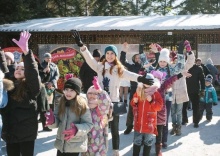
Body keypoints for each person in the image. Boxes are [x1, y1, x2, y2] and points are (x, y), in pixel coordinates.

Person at [72, 30, 154, 156]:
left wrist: (141, 78)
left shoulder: (119, 69)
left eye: (112, 53)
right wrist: (81, 45)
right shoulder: (99, 67)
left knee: (114, 129)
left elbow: (130, 75)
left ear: (115, 55)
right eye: (108, 53)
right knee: (98, 128)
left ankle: (116, 151)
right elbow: (89, 59)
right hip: (98, 103)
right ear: (105, 54)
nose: (110, 55)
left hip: (112, 103)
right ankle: (97, 150)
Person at [0, 31, 41, 156]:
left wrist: (27, 53)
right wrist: (1, 52)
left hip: (26, 133)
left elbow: (32, 73)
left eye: (23, 69)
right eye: (17, 67)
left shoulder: (31, 87)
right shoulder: (9, 83)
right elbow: (5, 68)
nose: (18, 69)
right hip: (11, 130)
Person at [46, 77, 93, 156]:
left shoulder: (82, 105)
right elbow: (57, 120)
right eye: (66, 89)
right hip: (61, 144)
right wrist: (53, 121)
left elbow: (89, 124)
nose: (68, 92)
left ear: (77, 92)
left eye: (72, 90)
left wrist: (77, 130)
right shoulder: (61, 102)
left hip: (74, 145)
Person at [131, 73, 163, 156]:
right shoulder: (139, 90)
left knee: (148, 141)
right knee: (137, 141)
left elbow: (159, 107)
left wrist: (152, 101)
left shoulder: (155, 93)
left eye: (149, 82)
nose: (147, 84)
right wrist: (134, 102)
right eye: (146, 82)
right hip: (139, 122)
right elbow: (133, 104)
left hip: (149, 123)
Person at [119, 43, 148, 135]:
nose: (138, 59)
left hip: (144, 91)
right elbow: (122, 62)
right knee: (131, 109)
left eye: (139, 58)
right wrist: (124, 51)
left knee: (143, 109)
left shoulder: (145, 67)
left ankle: (141, 126)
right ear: (134, 59)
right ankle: (129, 126)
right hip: (134, 90)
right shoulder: (132, 67)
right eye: (136, 58)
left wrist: (141, 50)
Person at [170, 40, 195, 136]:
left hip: (180, 92)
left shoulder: (183, 67)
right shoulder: (171, 68)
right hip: (171, 93)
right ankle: (174, 126)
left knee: (179, 112)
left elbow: (191, 61)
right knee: (172, 112)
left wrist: (189, 52)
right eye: (175, 59)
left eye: (177, 59)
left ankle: (179, 127)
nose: (176, 61)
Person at [82, 76, 112, 156]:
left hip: (99, 143)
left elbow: (105, 103)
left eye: (95, 94)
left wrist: (101, 91)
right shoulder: (85, 106)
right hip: (85, 141)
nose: (92, 96)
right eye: (90, 93)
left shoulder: (100, 108)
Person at [182, 59, 205, 128]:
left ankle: (196, 121)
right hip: (184, 90)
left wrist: (202, 89)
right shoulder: (184, 67)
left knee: (196, 106)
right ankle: (184, 119)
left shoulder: (199, 68)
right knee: (184, 106)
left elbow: (202, 79)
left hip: (195, 90)